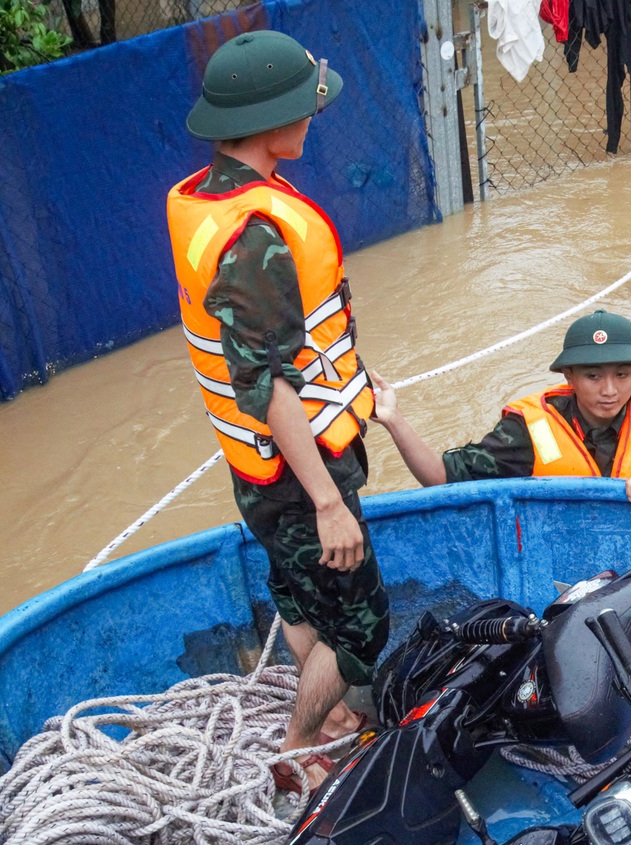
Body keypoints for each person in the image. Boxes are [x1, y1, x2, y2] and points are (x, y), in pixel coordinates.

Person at [166, 31, 430, 792]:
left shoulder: (211, 197)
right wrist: (327, 503)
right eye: (303, 107)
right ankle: (301, 743)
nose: (314, 117)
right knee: (362, 625)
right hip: (297, 469)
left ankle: (326, 721)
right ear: (270, 124)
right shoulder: (255, 238)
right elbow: (268, 383)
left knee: (300, 594)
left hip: (258, 467)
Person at [392, 310, 631, 505]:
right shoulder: (527, 427)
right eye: (593, 376)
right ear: (569, 376)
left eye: (622, 375)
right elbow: (442, 478)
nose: (610, 390)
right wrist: (394, 420)